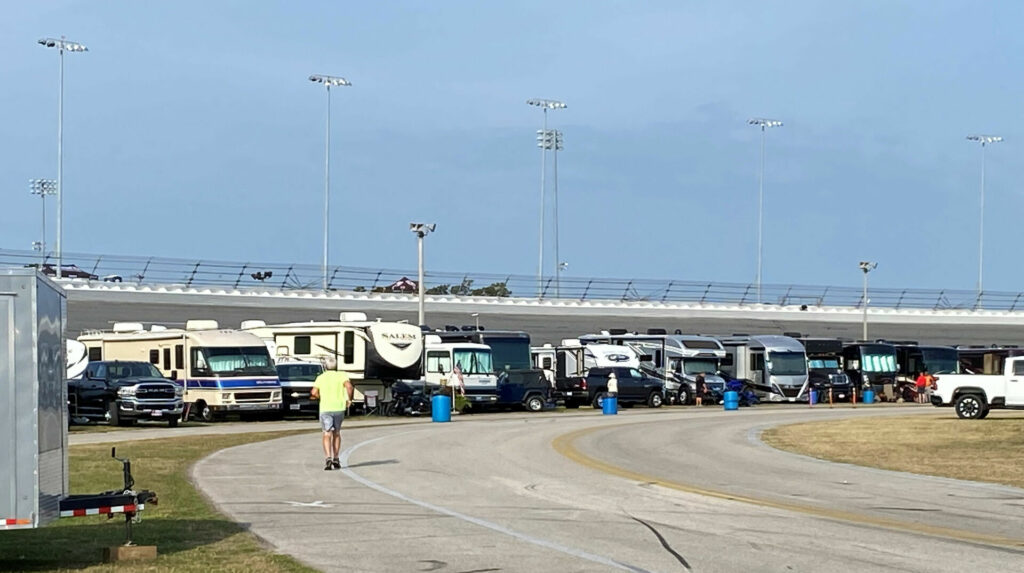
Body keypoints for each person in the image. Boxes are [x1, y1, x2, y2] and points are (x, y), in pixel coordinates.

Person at [311, 356, 354, 471]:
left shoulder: (321, 377)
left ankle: (328, 458)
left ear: (325, 367)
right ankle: (336, 458)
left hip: (325, 408)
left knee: (327, 433)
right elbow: (349, 386)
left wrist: (319, 396)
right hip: (339, 408)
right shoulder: (342, 375)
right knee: (337, 433)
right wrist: (349, 399)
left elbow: (314, 392)